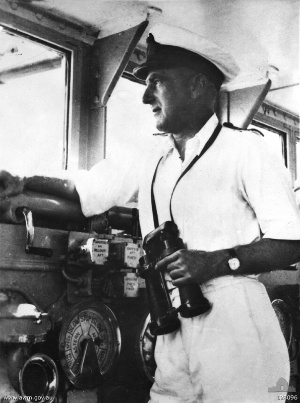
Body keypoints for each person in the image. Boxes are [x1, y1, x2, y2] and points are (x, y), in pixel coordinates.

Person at [1, 23, 300, 402]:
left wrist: (217, 262)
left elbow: (291, 241)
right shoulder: (151, 159)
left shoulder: (247, 152)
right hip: (172, 322)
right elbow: (86, 188)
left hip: (236, 322)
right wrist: (21, 181)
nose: (145, 96)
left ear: (197, 85)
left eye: (156, 81)